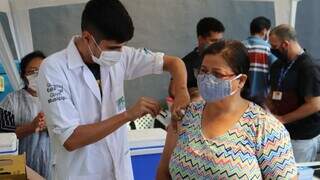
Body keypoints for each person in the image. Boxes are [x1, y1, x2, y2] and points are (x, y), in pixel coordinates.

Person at [37, 0, 189, 179]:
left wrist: (181, 92)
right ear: (87, 38)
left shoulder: (120, 55)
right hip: (81, 173)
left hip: (119, 171)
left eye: (122, 46)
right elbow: (71, 139)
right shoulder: (54, 69)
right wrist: (127, 115)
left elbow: (174, 63)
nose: (119, 52)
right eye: (113, 48)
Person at [157, 40, 297, 179]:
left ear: (241, 80)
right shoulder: (184, 116)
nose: (207, 79)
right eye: (204, 71)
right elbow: (163, 173)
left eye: (217, 74)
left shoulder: (265, 128)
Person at [267, 24, 320, 162]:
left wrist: (283, 119)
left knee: (296, 174)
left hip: (301, 137)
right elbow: (273, 92)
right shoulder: (277, 65)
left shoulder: (308, 67)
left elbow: (314, 105)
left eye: (274, 46)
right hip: (279, 132)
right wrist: (267, 110)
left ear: (285, 44)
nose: (272, 50)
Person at [0, 51, 50, 178]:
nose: (37, 75)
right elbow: (3, 137)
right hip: (18, 168)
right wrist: (31, 127)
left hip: (52, 167)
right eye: (32, 72)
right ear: (23, 75)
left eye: (41, 70)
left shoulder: (56, 98)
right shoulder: (11, 101)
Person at [169, 17, 225, 102]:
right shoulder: (186, 63)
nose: (218, 45)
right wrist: (191, 93)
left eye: (220, 41)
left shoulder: (226, 60)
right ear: (200, 39)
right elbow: (172, 90)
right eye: (214, 41)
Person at [242, 16, 276, 106]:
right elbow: (275, 70)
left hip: (241, 95)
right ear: (264, 31)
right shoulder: (268, 48)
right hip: (262, 97)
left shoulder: (240, 46)